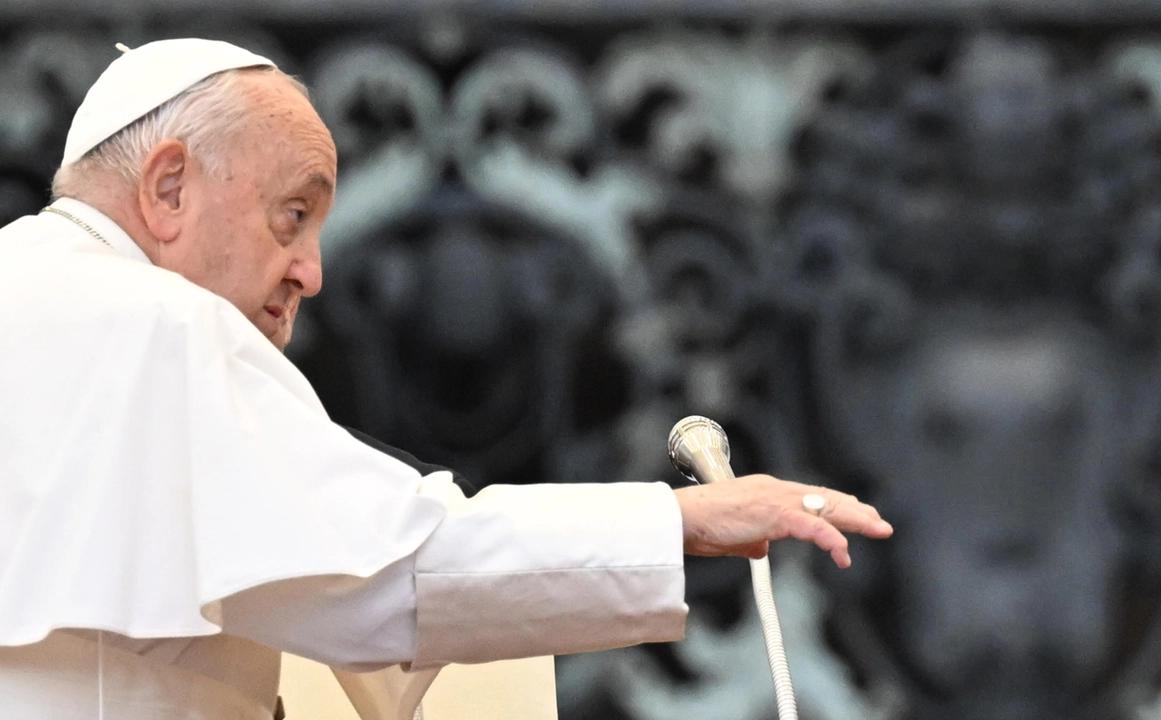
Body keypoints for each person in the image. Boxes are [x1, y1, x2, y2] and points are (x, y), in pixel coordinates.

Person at [0, 38, 893, 719]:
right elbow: (387, 576)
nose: (311, 272)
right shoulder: (157, 323)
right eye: (292, 216)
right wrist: (680, 522)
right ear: (167, 190)